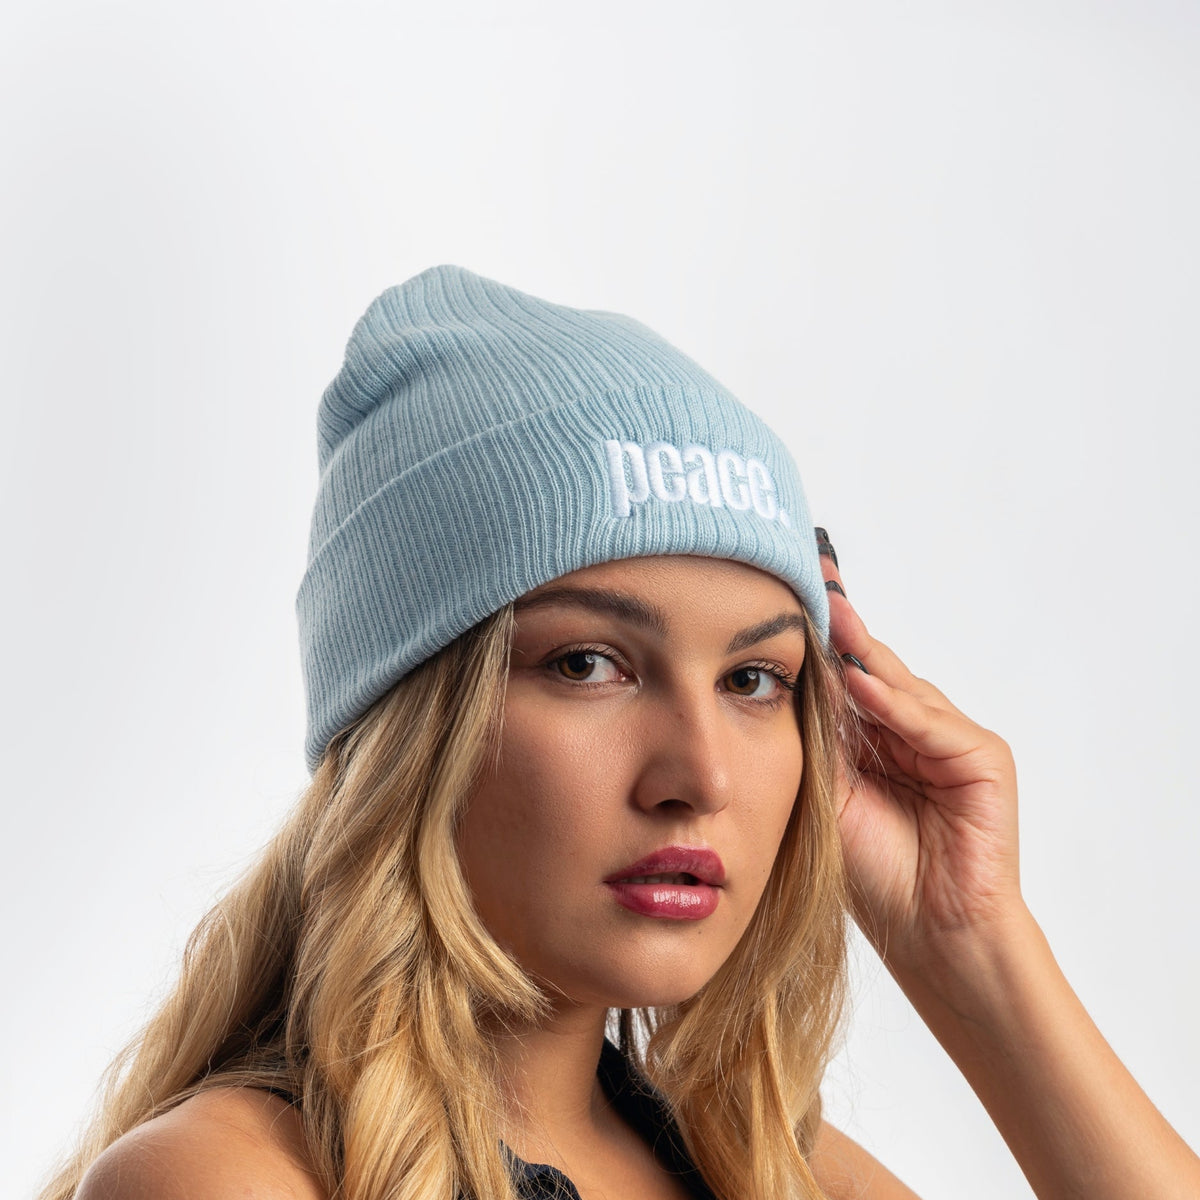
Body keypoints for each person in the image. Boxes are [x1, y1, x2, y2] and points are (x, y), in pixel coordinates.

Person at [47, 266, 1198, 1200]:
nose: (700, 774)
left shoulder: (776, 1175)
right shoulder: (230, 1181)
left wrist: (971, 942)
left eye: (754, 679)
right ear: (410, 729)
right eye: (588, 664)